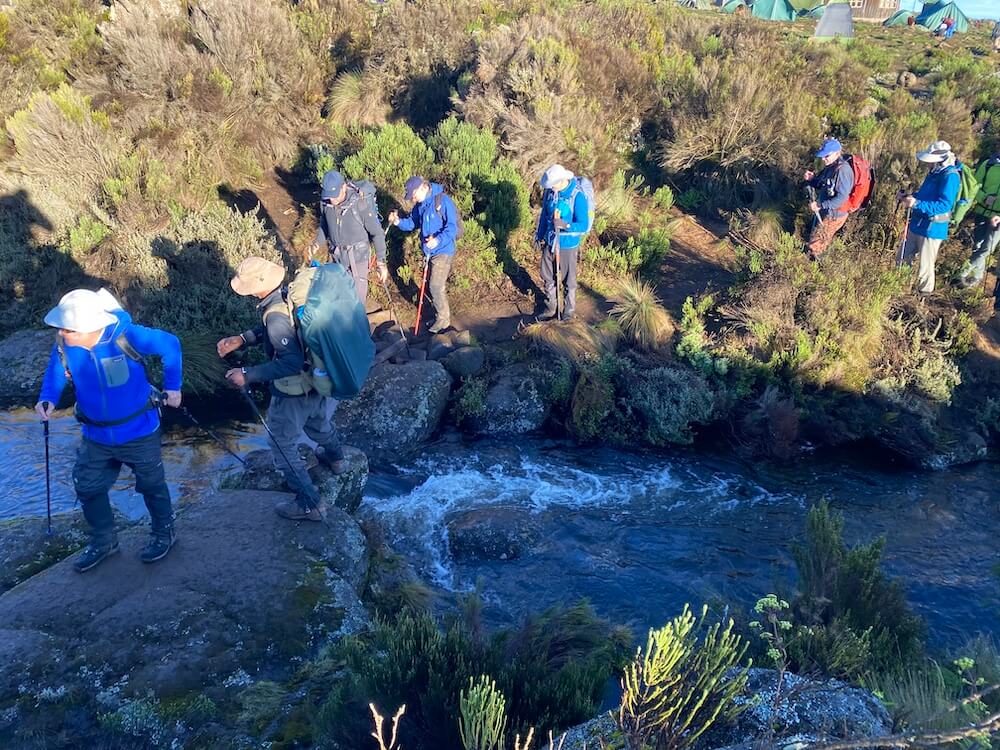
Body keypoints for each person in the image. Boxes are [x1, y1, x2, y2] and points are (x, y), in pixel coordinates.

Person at [35, 289, 183, 572]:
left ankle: (164, 533)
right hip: (96, 436)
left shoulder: (127, 336)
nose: (63, 333)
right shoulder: (65, 344)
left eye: (69, 329)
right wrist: (48, 398)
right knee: (87, 486)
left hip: (139, 431)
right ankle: (104, 541)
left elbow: (170, 344)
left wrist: (173, 387)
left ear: (87, 327)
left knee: (151, 485)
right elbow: (56, 371)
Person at [217, 256, 348, 522]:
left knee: (282, 443)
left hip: (292, 392)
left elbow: (290, 360)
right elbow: (278, 330)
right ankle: (337, 460)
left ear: (256, 287)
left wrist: (247, 374)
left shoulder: (275, 312)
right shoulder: (289, 295)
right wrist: (242, 339)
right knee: (319, 425)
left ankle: (309, 504)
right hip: (317, 379)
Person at [387, 176, 459, 334]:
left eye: (413, 195)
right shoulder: (420, 206)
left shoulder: (442, 201)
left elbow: (453, 227)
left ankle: (443, 321)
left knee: (435, 286)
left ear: (422, 188)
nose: (412, 199)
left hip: (443, 250)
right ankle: (438, 316)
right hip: (429, 252)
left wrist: (438, 240)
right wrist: (398, 222)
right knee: (432, 286)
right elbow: (412, 224)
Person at [311, 170, 388, 307]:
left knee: (357, 304)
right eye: (329, 196)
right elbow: (324, 226)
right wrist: (317, 243)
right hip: (336, 258)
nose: (332, 200)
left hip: (358, 258)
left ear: (344, 187)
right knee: (338, 300)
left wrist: (381, 262)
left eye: (334, 195)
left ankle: (359, 326)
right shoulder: (326, 204)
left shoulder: (359, 204)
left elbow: (377, 233)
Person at [898, 140, 961, 295]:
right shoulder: (934, 173)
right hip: (917, 224)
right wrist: (910, 197)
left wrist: (917, 203)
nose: (927, 164)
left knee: (925, 266)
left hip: (932, 228)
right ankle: (899, 287)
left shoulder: (950, 177)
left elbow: (944, 205)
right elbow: (925, 196)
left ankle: (923, 296)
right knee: (902, 257)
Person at [535, 164, 589, 320]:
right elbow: (544, 216)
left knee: (568, 280)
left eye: (553, 185)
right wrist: (539, 235)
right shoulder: (550, 193)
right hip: (551, 242)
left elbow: (583, 225)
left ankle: (568, 312)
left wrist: (566, 225)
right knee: (547, 275)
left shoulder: (577, 196)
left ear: (562, 180)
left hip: (568, 245)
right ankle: (551, 307)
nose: (550, 188)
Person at [957, 150, 1000, 299]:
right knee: (977, 245)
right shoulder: (988, 164)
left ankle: (961, 273)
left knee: (986, 248)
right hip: (982, 212)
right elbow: (974, 187)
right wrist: (984, 198)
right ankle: (974, 280)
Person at [803, 138, 855, 259]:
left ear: (837, 153)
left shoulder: (843, 172)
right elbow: (823, 184)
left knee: (815, 246)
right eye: (823, 155)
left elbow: (840, 199)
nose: (823, 158)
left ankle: (812, 270)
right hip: (827, 211)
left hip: (834, 215)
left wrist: (820, 205)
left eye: (827, 155)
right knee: (816, 240)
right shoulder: (831, 166)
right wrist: (812, 180)